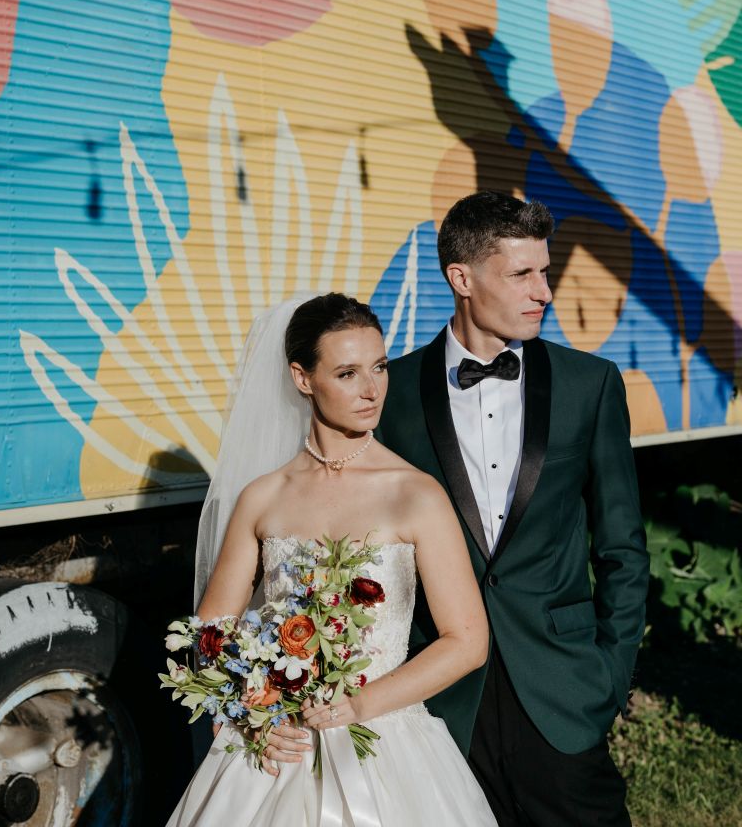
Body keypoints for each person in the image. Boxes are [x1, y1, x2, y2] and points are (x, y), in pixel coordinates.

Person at [166, 293, 499, 826]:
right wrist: (253, 715)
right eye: (347, 373)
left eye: (380, 367)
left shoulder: (415, 494)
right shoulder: (263, 497)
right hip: (281, 747)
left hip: (385, 742)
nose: (372, 390)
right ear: (303, 379)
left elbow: (468, 642)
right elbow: (210, 630)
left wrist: (360, 706)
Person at [376, 191, 649, 826]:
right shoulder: (394, 396)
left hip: (562, 692)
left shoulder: (591, 384)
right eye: (522, 274)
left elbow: (623, 549)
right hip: (444, 703)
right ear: (461, 279)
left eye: (544, 272)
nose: (543, 291)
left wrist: (609, 679)